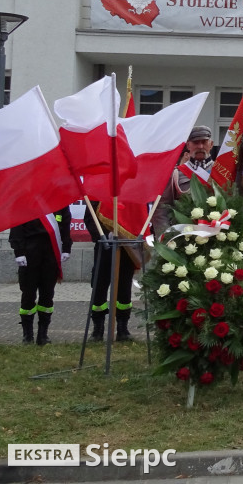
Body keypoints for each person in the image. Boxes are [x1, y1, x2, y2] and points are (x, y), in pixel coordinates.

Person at [10, 206, 72, 345]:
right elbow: (17, 226)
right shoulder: (27, 201)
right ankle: (28, 335)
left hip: (51, 254)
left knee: (47, 294)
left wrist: (67, 247)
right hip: (30, 253)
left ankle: (43, 335)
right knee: (28, 294)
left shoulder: (59, 202)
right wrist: (18, 251)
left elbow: (65, 224)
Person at [86, 206, 141, 342]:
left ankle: (122, 329)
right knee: (99, 288)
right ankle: (98, 329)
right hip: (104, 249)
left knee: (124, 290)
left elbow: (139, 216)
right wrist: (102, 235)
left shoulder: (131, 191)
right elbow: (89, 218)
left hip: (126, 249)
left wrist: (132, 235)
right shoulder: (97, 194)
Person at [152, 125, 215, 232]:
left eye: (204, 142)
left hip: (218, 235)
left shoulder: (221, 172)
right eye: (195, 143)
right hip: (183, 237)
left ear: (211, 144)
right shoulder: (176, 174)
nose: (200, 146)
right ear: (188, 145)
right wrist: (166, 236)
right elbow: (162, 209)